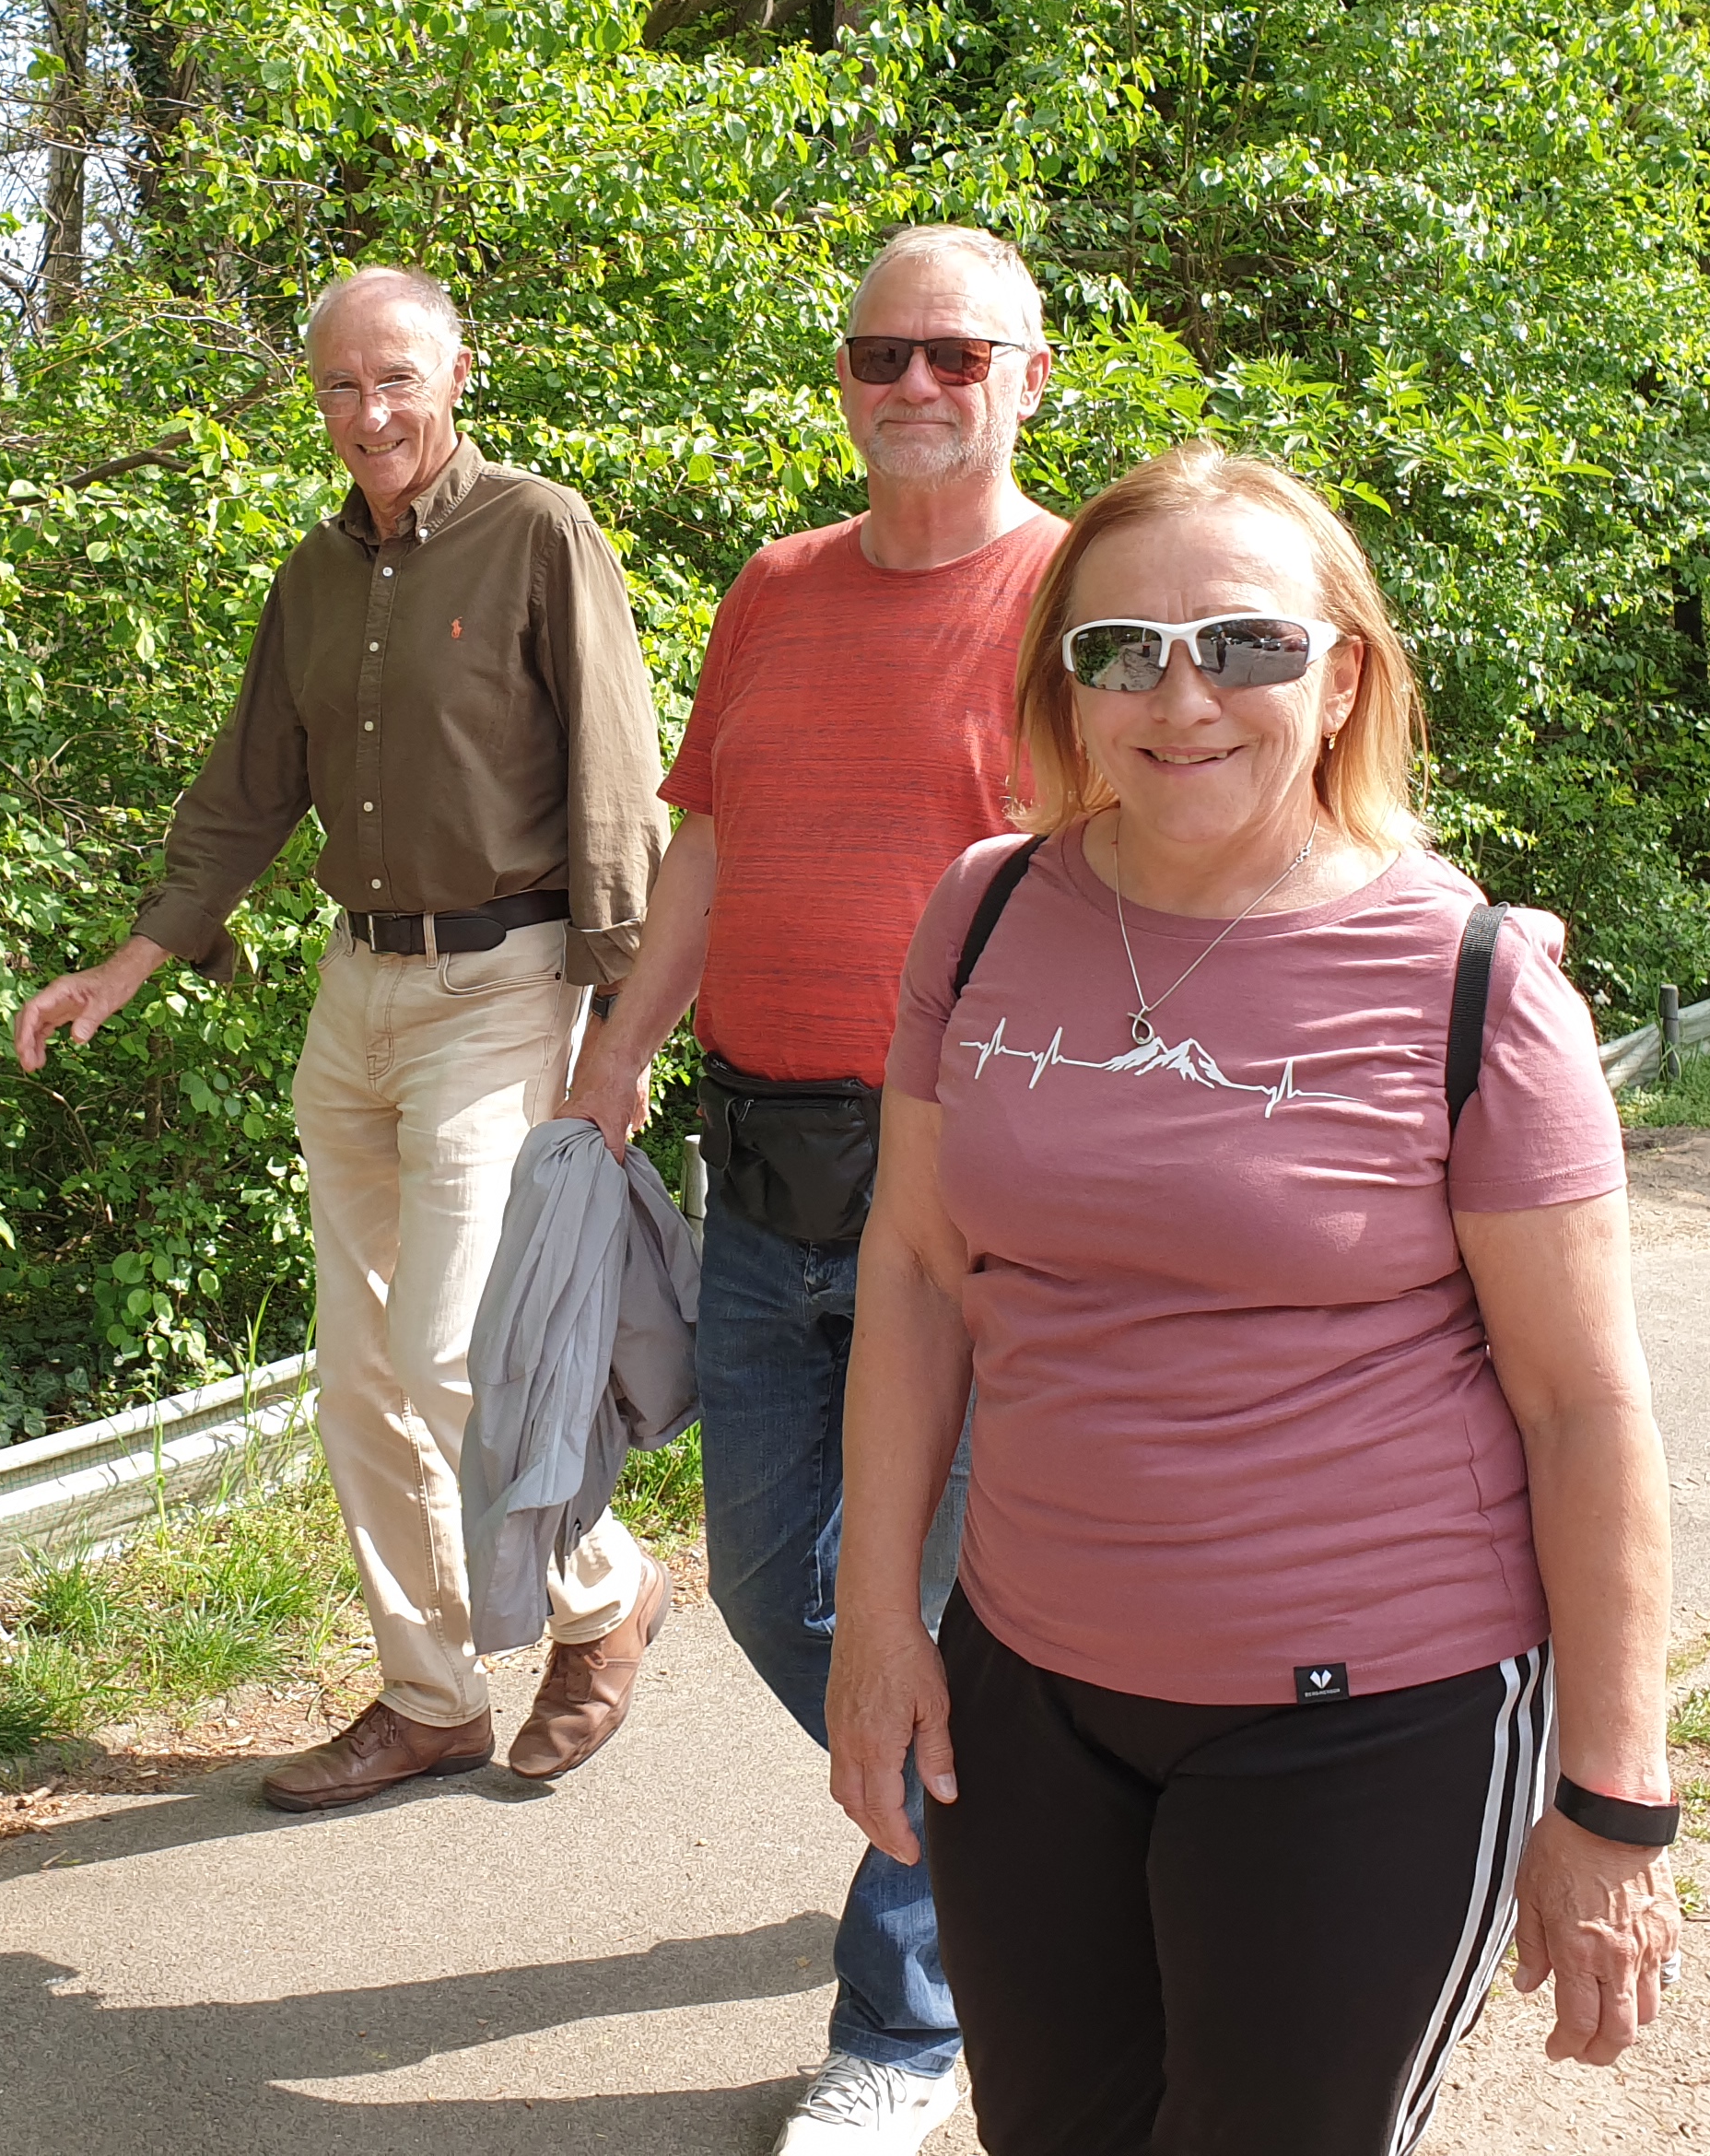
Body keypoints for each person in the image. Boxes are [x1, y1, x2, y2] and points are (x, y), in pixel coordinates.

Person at [825, 442, 1679, 2155]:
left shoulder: (1471, 980)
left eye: (1247, 642)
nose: (1179, 694)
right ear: (1062, 677)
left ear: (1343, 669)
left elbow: (1583, 1403)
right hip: (1028, 1688)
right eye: (1120, 646)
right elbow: (918, 1266)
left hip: (1369, 1719)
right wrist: (874, 1614)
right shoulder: (980, 910)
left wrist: (1614, 1795)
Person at [14, 266, 674, 1810]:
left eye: (394, 379)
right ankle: (429, 1693)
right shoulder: (311, 577)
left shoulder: (535, 530)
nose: (367, 412)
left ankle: (603, 1591)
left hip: (506, 981)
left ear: (457, 373)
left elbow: (614, 776)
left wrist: (619, 1023)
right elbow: (247, 786)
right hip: (357, 990)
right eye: (336, 386)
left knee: (450, 1348)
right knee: (361, 1371)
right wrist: (130, 960)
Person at [558, 224, 1060, 2156]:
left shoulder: (1075, 597)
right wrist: (612, 1060)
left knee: (932, 1607)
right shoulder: (774, 589)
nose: (913, 385)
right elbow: (709, 846)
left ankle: (908, 2024)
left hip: (969, 1188)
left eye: (954, 353)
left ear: (1030, 374)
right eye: (880, 356)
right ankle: (1003, 1838)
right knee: (780, 1587)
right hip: (759, 1174)